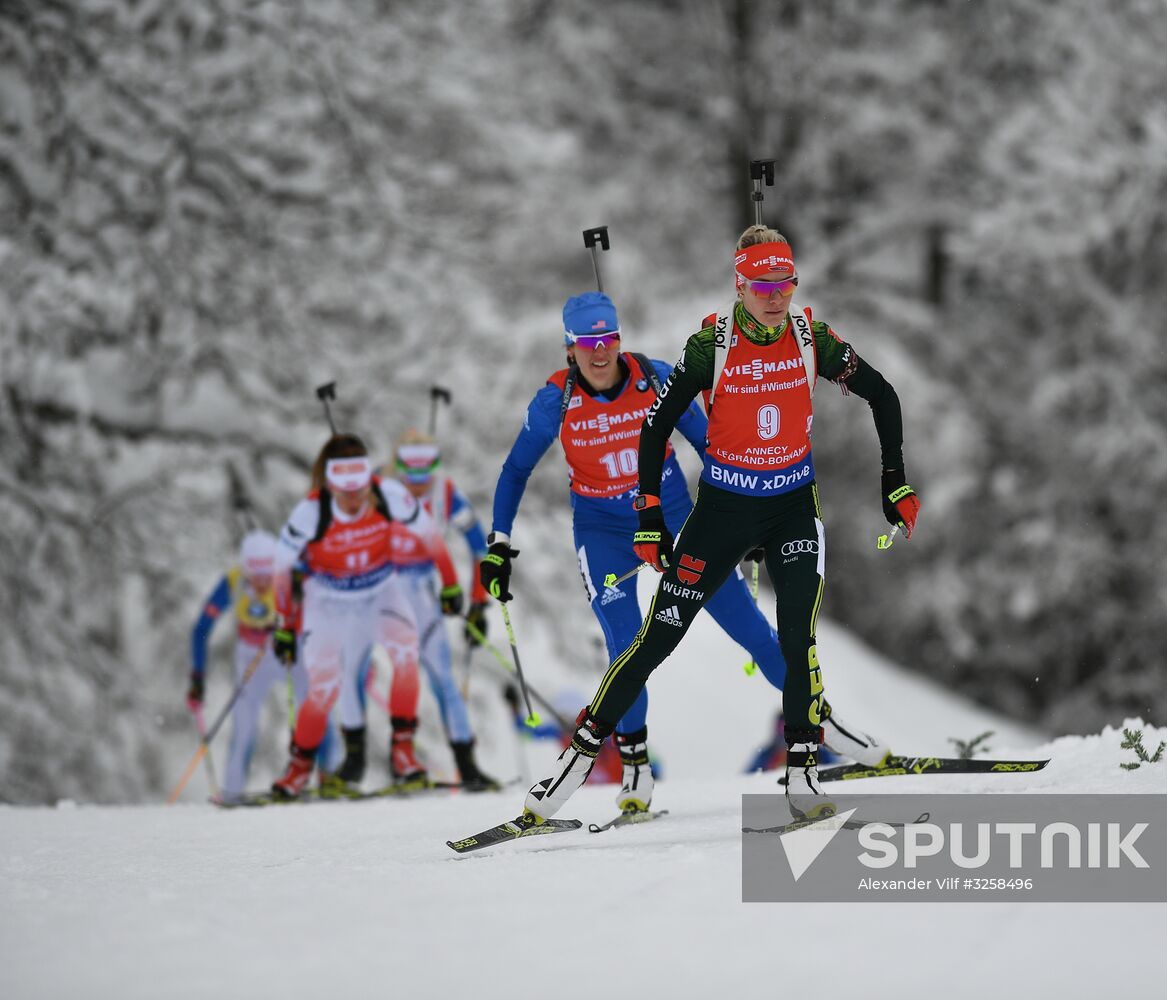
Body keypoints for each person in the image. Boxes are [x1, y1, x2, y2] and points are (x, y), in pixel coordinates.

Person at [516, 225, 921, 822]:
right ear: (740, 284)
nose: (775, 295)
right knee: (657, 637)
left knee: (796, 637)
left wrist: (895, 480)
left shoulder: (812, 337)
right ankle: (578, 759)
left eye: (784, 281)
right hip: (722, 514)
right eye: (762, 283)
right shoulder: (713, 345)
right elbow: (656, 427)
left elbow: (882, 394)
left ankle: (804, 768)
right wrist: (650, 514)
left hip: (792, 510)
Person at [267, 433, 461, 799]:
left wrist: (450, 584)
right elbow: (280, 569)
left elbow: (430, 535)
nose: (355, 500)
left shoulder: (389, 494)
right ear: (329, 484)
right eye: (345, 492)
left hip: (380, 590)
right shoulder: (311, 511)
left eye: (360, 490)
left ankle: (403, 751)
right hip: (327, 600)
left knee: (406, 656)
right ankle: (299, 768)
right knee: (324, 687)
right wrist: (283, 625)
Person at [387, 428, 499, 790]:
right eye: (409, 474)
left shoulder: (447, 494)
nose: (417, 484)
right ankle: (363, 761)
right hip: (383, 591)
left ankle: (467, 766)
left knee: (442, 679)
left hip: (423, 588)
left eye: (425, 474)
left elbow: (480, 548)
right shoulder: (379, 491)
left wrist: (478, 603)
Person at [187, 530, 292, 803]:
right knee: (243, 726)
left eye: (266, 575)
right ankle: (232, 792)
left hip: (283, 650)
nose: (261, 582)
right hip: (249, 656)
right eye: (255, 576)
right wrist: (198, 677)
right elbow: (201, 629)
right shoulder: (232, 583)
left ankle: (327, 779)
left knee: (311, 712)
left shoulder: (289, 578)